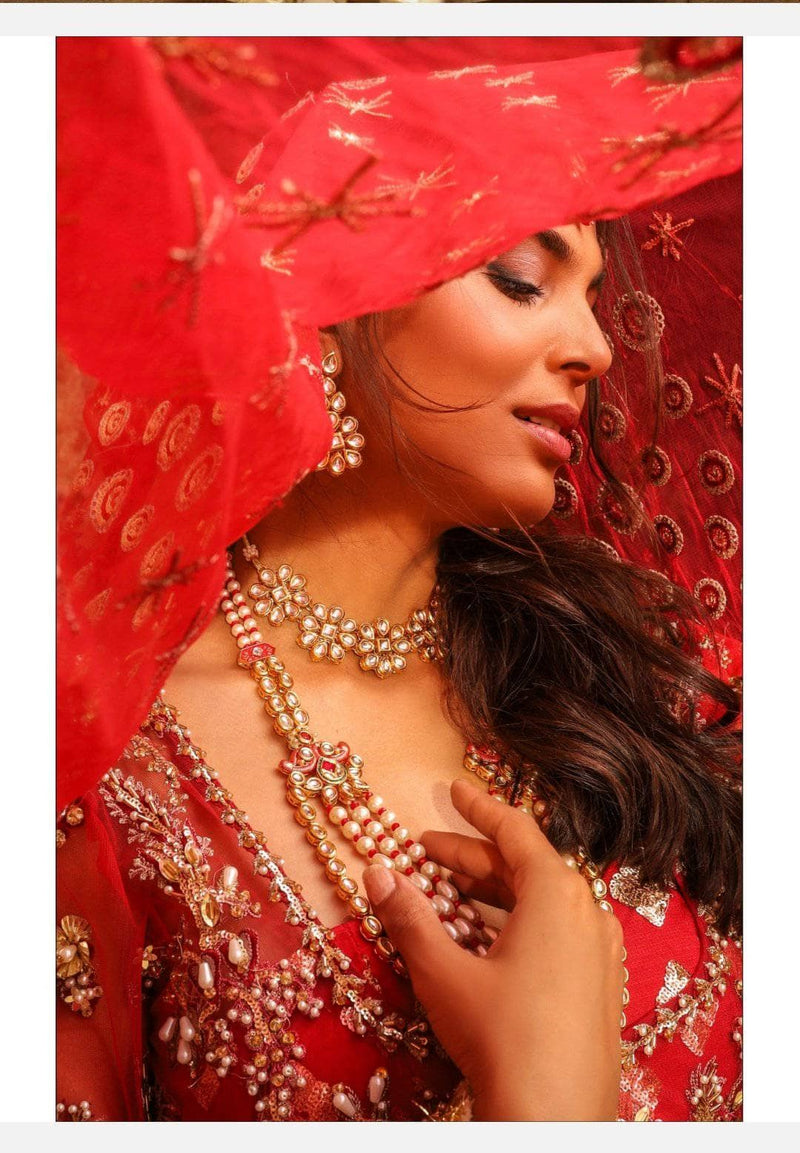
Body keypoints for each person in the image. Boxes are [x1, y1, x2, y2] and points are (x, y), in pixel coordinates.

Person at [56, 37, 743, 1122]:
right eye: (521, 279)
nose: (596, 349)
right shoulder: (111, 764)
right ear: (332, 300)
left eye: (595, 295)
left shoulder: (623, 670)